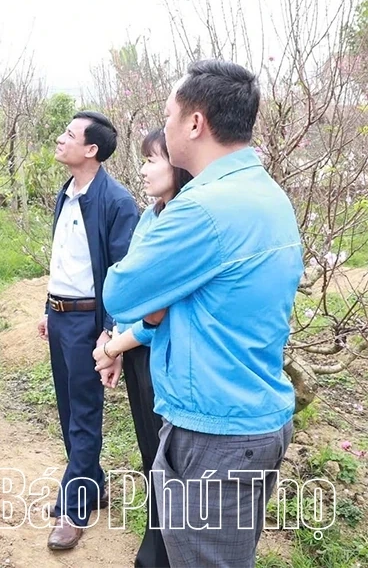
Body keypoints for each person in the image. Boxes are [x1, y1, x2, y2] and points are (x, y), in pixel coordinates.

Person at [102, 59, 303, 568]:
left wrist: (155, 306)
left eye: (168, 115)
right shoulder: (266, 194)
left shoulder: (203, 208)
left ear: (195, 123)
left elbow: (121, 294)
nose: (165, 126)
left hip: (215, 434)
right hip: (247, 419)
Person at [37, 110, 139, 550]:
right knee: (67, 407)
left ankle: (75, 508)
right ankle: (90, 483)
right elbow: (65, 259)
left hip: (88, 322)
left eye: (69, 134)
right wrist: (48, 308)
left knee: (83, 413)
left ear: (91, 149)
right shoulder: (67, 193)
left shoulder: (116, 202)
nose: (60, 139)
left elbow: (122, 272)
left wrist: (110, 331)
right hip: (61, 315)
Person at [92, 128, 192, 568]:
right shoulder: (152, 216)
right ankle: (157, 548)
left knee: (167, 460)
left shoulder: (183, 222)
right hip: (136, 352)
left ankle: (163, 554)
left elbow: (160, 314)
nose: (144, 169)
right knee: (151, 454)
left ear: (180, 165)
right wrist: (115, 343)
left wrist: (115, 345)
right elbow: (133, 290)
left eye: (153, 160)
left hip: (161, 354)